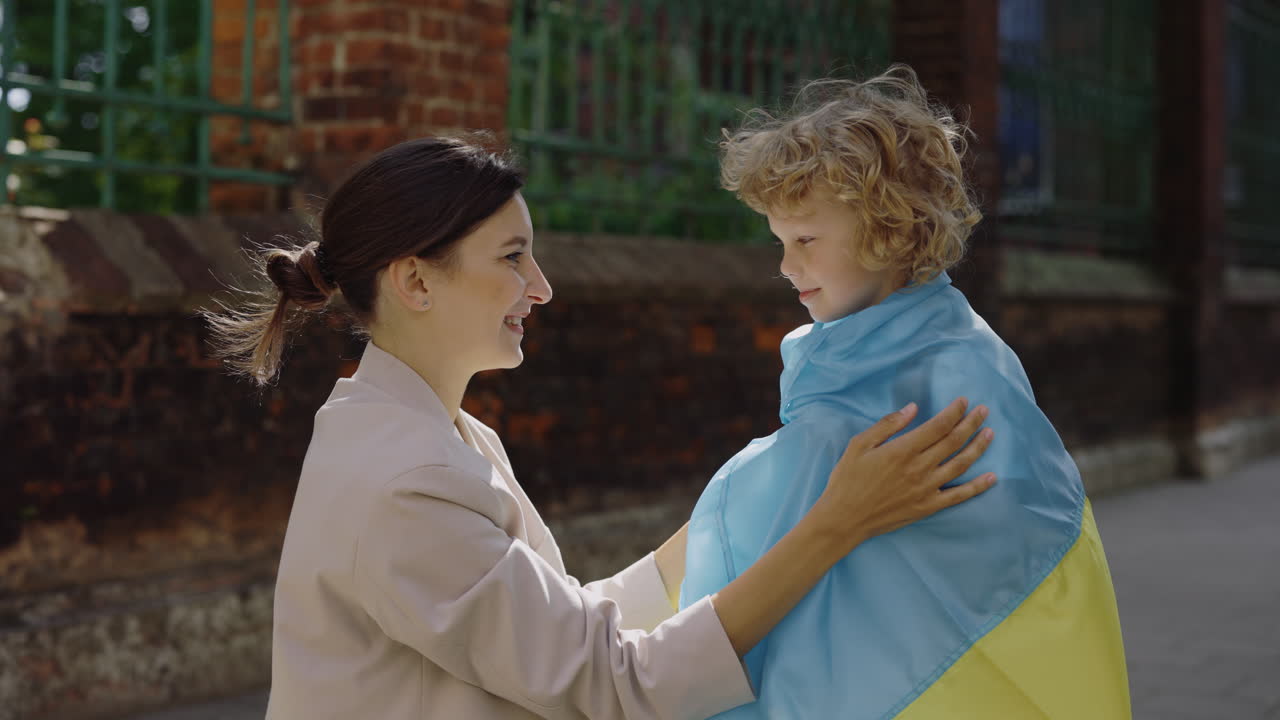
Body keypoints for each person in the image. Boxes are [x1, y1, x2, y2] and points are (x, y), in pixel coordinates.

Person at [202, 134, 997, 719]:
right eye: (513, 257)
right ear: (415, 280)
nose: (540, 287)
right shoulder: (405, 481)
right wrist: (835, 525)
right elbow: (617, 683)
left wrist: (745, 503)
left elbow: (568, 624)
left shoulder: (434, 435)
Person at [677, 65, 1131, 719]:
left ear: (890, 226)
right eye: (779, 242)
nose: (786, 266)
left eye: (805, 240)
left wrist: (740, 486)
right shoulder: (951, 345)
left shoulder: (924, 376)